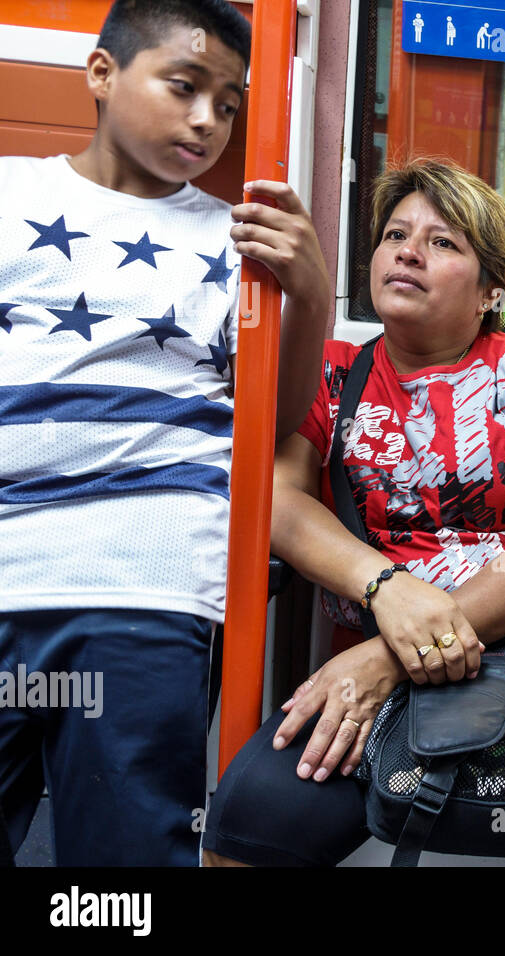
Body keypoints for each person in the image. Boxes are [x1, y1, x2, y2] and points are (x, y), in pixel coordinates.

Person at [201, 159, 505, 867]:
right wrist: (387, 591)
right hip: (388, 641)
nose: (407, 251)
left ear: (493, 290)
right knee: (247, 827)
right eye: (396, 234)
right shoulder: (330, 370)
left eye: (444, 242)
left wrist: (389, 656)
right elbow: (277, 501)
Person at [0, 0, 330, 866]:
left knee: (127, 863)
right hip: (5, 563)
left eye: (228, 103)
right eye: (184, 86)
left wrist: (314, 296)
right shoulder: (10, 193)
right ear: (102, 75)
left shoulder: (232, 239)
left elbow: (276, 419)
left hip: (140, 579)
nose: (207, 119)